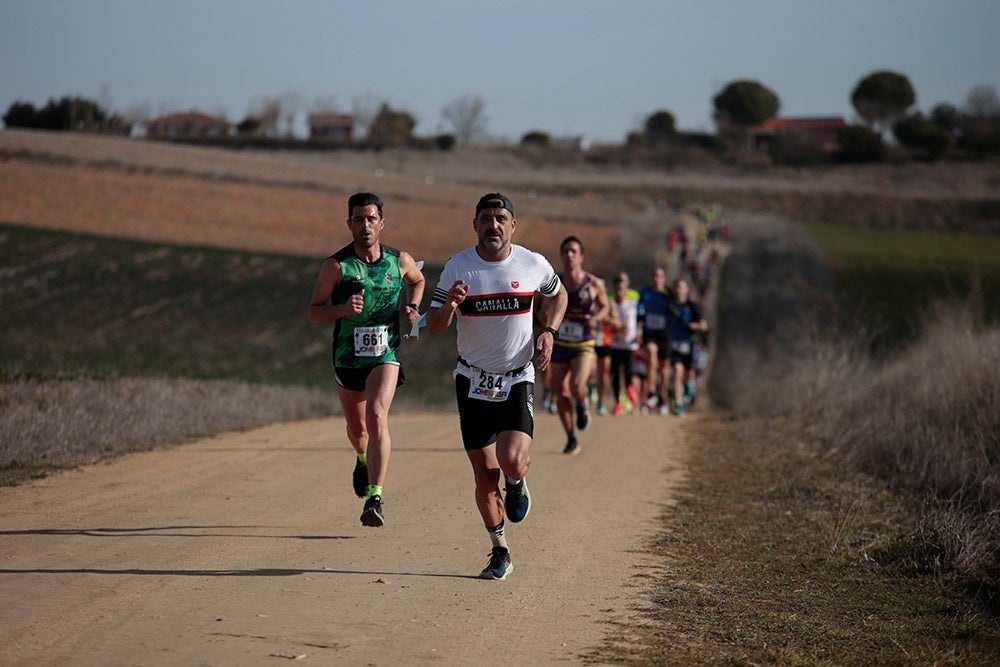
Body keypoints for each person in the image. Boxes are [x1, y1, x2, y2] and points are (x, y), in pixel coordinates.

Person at [427, 193, 567, 580]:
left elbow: (558, 294)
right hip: (472, 380)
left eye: (500, 218)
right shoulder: (458, 267)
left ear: (512, 225)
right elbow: (432, 325)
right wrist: (450, 308)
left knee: (511, 460)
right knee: (484, 475)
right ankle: (499, 549)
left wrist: (549, 332)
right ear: (475, 225)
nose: (493, 225)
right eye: (486, 218)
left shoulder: (533, 263)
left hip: (517, 376)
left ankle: (518, 483)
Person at [308, 192, 425, 528]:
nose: (365, 225)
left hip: (386, 352)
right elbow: (313, 313)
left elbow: (417, 280)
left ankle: (375, 496)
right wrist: (342, 309)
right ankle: (362, 457)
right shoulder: (336, 266)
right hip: (348, 356)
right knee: (358, 429)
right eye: (358, 219)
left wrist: (413, 307)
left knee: (376, 416)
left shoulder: (398, 260)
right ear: (349, 224)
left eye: (371, 219)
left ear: (382, 223)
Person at [550, 236, 611, 454]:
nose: (569, 255)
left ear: (581, 256)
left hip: (584, 343)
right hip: (559, 343)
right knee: (561, 393)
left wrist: (596, 318)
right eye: (565, 251)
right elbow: (542, 310)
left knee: (576, 385)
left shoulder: (594, 284)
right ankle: (571, 437)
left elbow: (606, 307)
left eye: (573, 251)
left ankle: (583, 404)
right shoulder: (553, 283)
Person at [665, 279, 709, 416]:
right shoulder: (670, 306)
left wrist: (692, 326)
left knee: (688, 375)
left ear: (687, 291)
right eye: (677, 287)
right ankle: (678, 404)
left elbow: (704, 325)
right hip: (674, 344)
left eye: (681, 288)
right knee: (677, 372)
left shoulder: (692, 306)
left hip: (689, 345)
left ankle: (688, 391)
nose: (679, 290)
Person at [637, 267, 672, 414]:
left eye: (660, 276)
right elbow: (638, 313)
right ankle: (650, 392)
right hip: (649, 333)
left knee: (664, 369)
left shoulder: (669, 294)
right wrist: (637, 330)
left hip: (665, 335)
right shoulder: (644, 293)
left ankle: (662, 396)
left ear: (664, 279)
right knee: (651, 356)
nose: (657, 279)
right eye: (654, 276)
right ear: (652, 279)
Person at [608, 271, 641, 416]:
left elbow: (640, 321)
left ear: (626, 289)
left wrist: (639, 334)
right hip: (614, 344)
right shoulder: (611, 304)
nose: (619, 292)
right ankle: (617, 403)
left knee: (628, 372)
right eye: (617, 289)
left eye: (622, 289)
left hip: (629, 344)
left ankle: (629, 388)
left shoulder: (633, 304)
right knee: (615, 375)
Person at [593, 275, 621, 416]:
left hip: (604, 341)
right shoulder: (588, 302)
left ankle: (601, 401)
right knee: (589, 370)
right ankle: (590, 390)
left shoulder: (610, 303)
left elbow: (618, 323)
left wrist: (605, 318)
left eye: (600, 287)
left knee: (604, 373)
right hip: (589, 341)